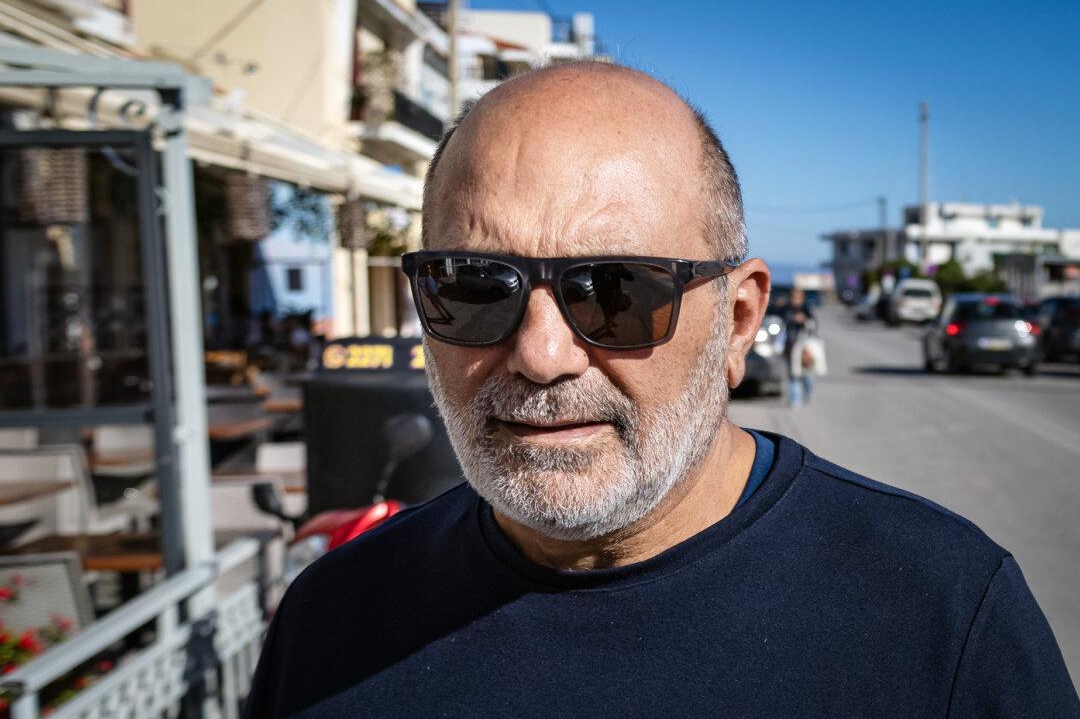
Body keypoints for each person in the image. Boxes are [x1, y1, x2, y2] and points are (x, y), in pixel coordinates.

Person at [244, 62, 1078, 718]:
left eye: (616, 293)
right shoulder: (333, 618)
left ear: (740, 320)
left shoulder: (940, 614)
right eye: (472, 287)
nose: (540, 356)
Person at [782, 287, 818, 406]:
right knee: (793, 373)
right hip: (790, 344)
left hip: (803, 346)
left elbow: (814, 326)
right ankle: (795, 399)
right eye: (793, 296)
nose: (795, 299)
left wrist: (804, 320)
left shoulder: (805, 308)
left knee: (806, 372)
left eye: (798, 297)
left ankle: (809, 391)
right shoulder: (785, 308)